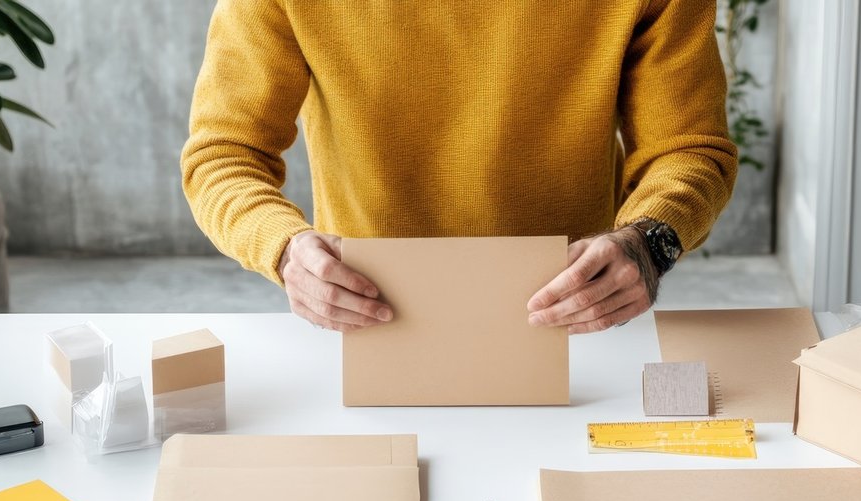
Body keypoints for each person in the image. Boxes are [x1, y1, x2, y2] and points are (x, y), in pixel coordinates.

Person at [182, 0, 737, 334]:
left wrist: (647, 243)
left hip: (578, 315)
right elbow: (224, 153)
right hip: (369, 320)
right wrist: (284, 250)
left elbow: (687, 149)